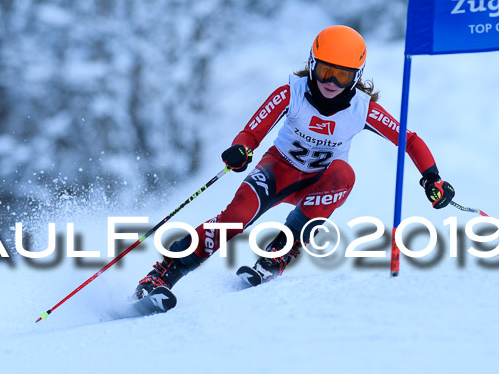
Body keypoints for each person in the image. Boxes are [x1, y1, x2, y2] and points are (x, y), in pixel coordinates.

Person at [132, 25, 455, 299]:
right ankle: (163, 274)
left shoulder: (363, 109)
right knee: (234, 218)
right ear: (312, 64)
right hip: (277, 171)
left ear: (357, 76)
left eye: (343, 76)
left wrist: (432, 178)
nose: (332, 82)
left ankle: (276, 257)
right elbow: (252, 131)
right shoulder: (291, 92)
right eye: (325, 71)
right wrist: (241, 150)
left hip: (319, 182)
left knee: (344, 174)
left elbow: (409, 140)